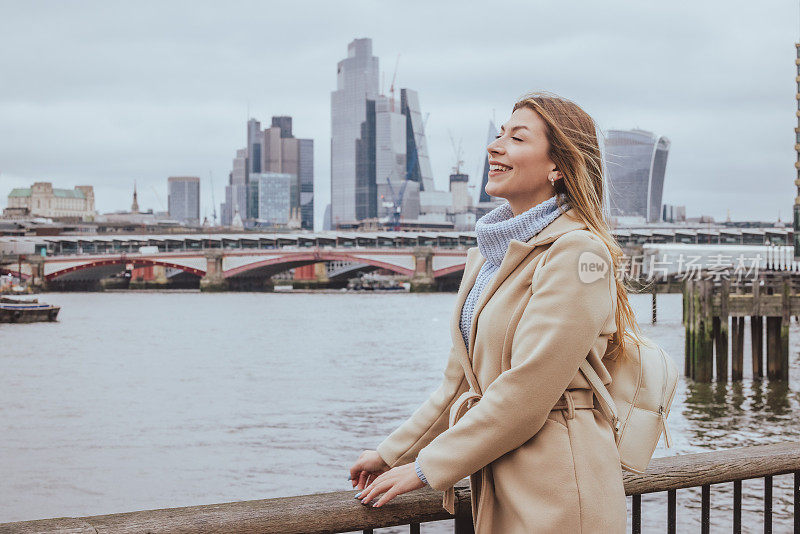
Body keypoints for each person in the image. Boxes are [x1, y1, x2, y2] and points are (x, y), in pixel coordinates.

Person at [348, 92, 644, 533]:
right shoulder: (488, 259)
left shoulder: (580, 252)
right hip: (501, 476)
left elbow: (529, 388)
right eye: (499, 134)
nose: (495, 146)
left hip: (559, 488)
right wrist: (395, 452)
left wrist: (426, 468)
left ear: (557, 166)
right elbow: (460, 385)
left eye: (517, 138)